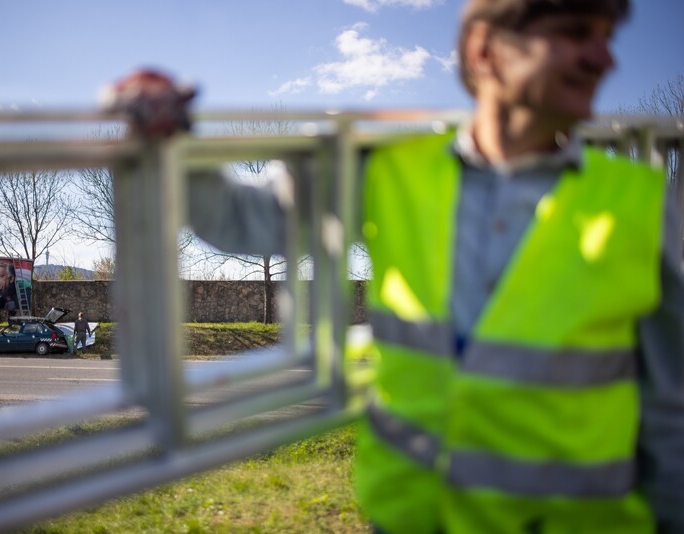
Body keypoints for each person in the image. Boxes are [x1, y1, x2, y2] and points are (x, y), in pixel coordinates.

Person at [113, 3, 684, 528]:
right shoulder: (391, 166)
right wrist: (170, 142)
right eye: (575, 33)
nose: (606, 57)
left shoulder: (646, 204)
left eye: (608, 37)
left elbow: (673, 410)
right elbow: (242, 220)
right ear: (486, 49)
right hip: (408, 517)